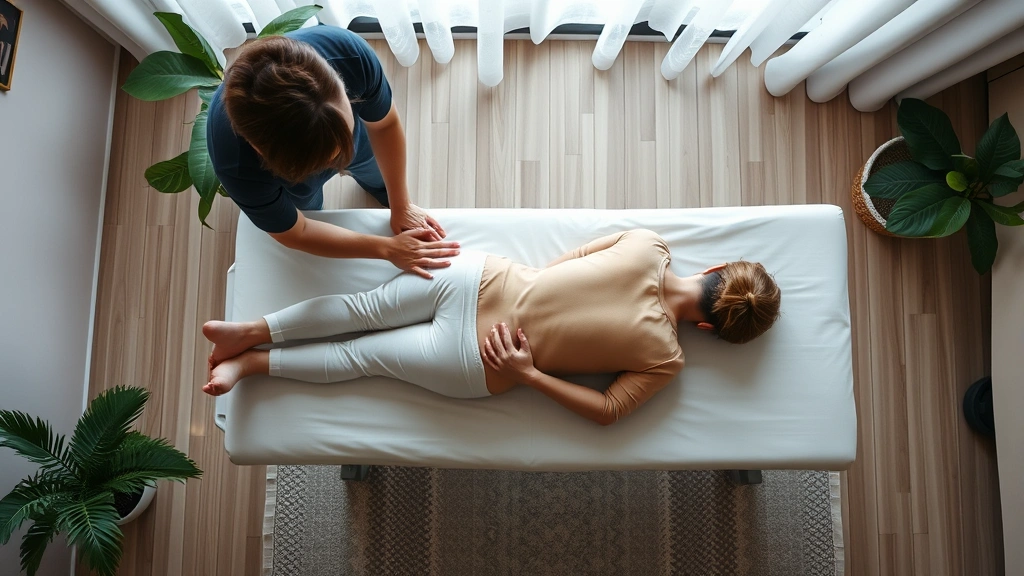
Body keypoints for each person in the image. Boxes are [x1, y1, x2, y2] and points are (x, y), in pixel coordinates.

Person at [201, 229, 782, 425]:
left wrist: (530, 288)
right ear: (709, 328)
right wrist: (527, 373)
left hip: (477, 279)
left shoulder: (649, 243)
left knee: (363, 311)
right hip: (479, 357)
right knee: (362, 357)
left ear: (713, 268)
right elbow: (607, 412)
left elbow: (576, 258)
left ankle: (250, 330)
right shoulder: (667, 359)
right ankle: (251, 363)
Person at [208, 25, 459, 279]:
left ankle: (376, 182)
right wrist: (386, 248)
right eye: (326, 159)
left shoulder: (349, 55)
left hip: (350, 138)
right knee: (309, 205)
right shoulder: (237, 167)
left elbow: (384, 125)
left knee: (372, 167)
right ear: (259, 150)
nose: (341, 161)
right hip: (293, 179)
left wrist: (401, 204)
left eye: (344, 131)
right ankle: (315, 198)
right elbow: (299, 230)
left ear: (339, 81)